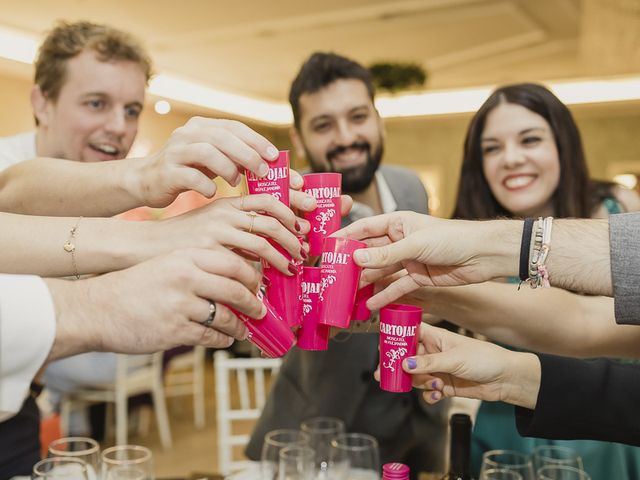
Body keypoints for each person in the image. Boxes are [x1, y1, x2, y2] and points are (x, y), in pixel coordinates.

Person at [375, 83, 640, 477]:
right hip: (505, 412)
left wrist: (428, 287)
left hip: (603, 417)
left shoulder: (616, 211)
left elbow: (584, 322)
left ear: (562, 145)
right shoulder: (466, 227)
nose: (511, 159)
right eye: (492, 148)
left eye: (529, 140)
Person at [247, 52, 447, 478]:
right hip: (318, 424)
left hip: (419, 426)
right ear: (299, 139)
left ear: (379, 120)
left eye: (358, 117)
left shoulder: (410, 187)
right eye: (323, 125)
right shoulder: (285, 209)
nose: (346, 137)